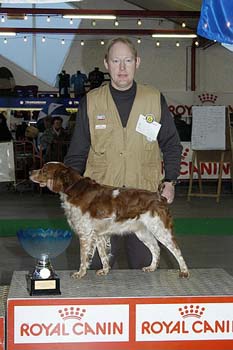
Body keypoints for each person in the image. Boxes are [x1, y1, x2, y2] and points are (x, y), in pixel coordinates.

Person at [64, 37, 182, 270]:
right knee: (98, 265)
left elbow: (171, 143)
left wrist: (170, 180)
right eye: (116, 60)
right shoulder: (91, 102)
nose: (121, 67)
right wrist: (70, 191)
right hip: (100, 203)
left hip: (142, 202)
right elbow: (77, 152)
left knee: (146, 264)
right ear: (106, 63)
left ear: (137, 62)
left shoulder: (154, 99)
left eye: (127, 60)